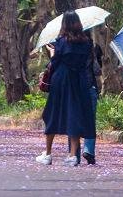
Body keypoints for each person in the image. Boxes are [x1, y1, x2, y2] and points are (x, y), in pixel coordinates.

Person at [36, 12, 97, 167]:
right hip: (79, 81)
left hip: (61, 81)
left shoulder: (61, 42)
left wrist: (52, 53)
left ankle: (48, 154)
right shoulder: (87, 43)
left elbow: (55, 63)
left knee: (52, 114)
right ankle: (72, 156)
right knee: (74, 115)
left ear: (64, 24)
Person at [79, 29, 103, 165]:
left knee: (74, 119)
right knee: (90, 120)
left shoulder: (68, 46)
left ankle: (73, 153)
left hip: (75, 89)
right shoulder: (92, 47)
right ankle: (88, 150)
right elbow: (97, 71)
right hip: (90, 86)